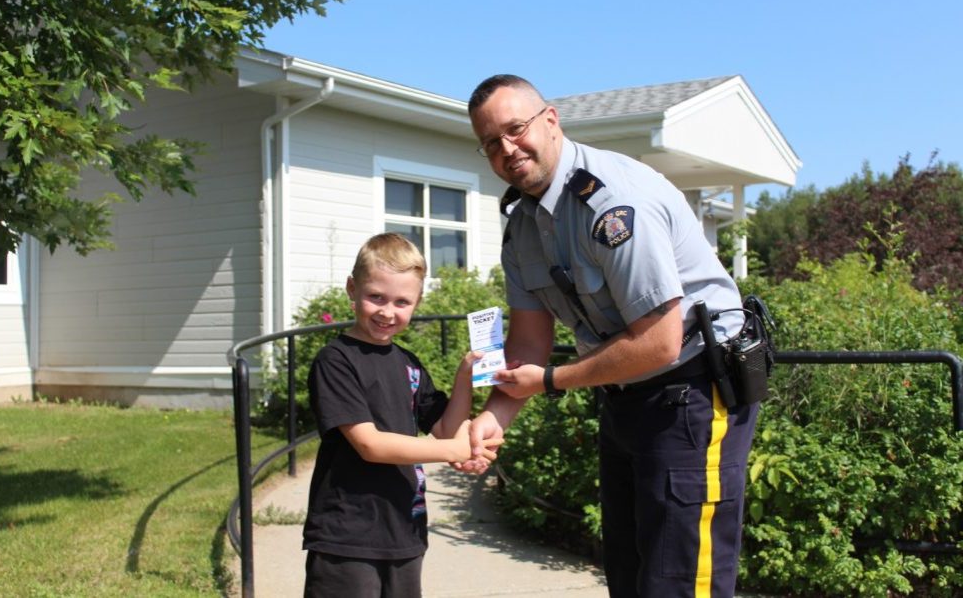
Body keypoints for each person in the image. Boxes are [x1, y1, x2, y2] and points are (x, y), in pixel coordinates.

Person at [461, 75, 758, 598]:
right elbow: (529, 338)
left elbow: (661, 342)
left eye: (516, 129)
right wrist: (493, 416)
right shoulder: (522, 225)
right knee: (629, 576)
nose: (507, 150)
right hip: (625, 400)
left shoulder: (613, 203)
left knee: (681, 585)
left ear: (551, 121)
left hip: (692, 396)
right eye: (491, 142)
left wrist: (552, 381)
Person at [302, 232, 500, 598]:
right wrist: (457, 452)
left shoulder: (408, 363)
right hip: (347, 534)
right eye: (376, 296)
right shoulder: (336, 360)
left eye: (402, 302)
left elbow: (445, 428)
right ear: (351, 288)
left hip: (404, 529)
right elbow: (370, 444)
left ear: (417, 302)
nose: (387, 312)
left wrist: (464, 377)